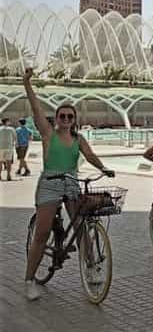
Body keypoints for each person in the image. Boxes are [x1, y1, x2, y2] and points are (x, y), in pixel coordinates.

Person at [21, 68, 113, 301]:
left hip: (71, 182)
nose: (65, 120)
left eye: (70, 117)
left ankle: (91, 268)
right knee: (41, 233)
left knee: (82, 227)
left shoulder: (78, 139)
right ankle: (29, 280)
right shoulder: (48, 133)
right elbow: (35, 108)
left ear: (74, 120)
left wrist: (103, 168)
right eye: (62, 116)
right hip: (50, 183)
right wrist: (27, 83)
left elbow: (90, 156)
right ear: (57, 118)